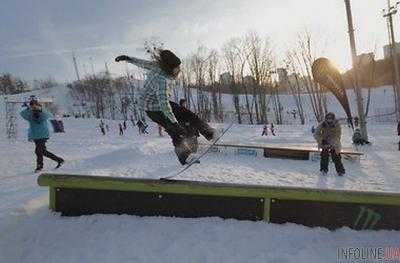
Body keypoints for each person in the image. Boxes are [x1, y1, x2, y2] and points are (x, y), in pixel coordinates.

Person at [115, 49, 215, 164]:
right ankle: (185, 157)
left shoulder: (158, 66)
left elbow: (142, 63)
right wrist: (174, 123)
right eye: (177, 68)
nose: (179, 70)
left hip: (159, 103)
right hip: (154, 110)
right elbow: (164, 105)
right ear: (170, 68)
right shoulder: (162, 81)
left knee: (187, 114)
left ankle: (210, 133)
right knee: (175, 131)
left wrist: (127, 58)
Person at [20, 98, 64, 173]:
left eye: (34, 105)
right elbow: (22, 114)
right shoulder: (30, 115)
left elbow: (48, 115)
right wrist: (28, 108)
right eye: (32, 106)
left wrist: (40, 109)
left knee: (38, 151)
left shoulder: (42, 113)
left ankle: (39, 166)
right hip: (36, 136)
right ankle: (59, 160)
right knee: (42, 151)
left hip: (43, 135)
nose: (33, 107)